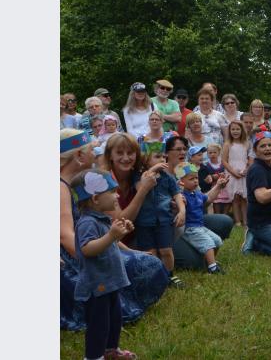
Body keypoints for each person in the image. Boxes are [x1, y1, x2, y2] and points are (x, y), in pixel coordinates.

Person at [62, 130, 169, 333]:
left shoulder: (84, 180)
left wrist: (127, 250)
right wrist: (92, 265)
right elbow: (67, 235)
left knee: (150, 263)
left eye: (131, 153)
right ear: (78, 156)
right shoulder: (71, 185)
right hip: (84, 254)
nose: (95, 154)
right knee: (145, 267)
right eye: (91, 150)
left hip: (105, 243)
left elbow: (106, 226)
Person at [70, 169, 139, 360]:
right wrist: (111, 235)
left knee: (114, 320)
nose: (117, 195)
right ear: (95, 199)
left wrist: (119, 234)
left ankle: (110, 351)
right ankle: (93, 356)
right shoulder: (87, 223)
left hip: (109, 282)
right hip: (96, 285)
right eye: (111, 191)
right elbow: (87, 249)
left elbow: (107, 245)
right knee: (98, 325)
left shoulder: (101, 219)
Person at [135, 141, 186, 287]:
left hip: (164, 220)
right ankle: (156, 277)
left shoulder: (167, 177)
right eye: (157, 157)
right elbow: (141, 188)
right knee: (151, 252)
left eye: (164, 157)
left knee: (166, 250)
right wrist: (153, 170)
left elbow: (177, 195)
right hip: (144, 222)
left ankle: (170, 275)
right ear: (145, 160)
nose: (162, 160)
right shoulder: (140, 176)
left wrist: (182, 210)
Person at [176, 162, 229, 273]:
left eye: (196, 178)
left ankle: (210, 262)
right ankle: (213, 268)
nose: (195, 181)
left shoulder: (197, 193)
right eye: (191, 179)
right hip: (190, 229)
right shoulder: (181, 195)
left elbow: (208, 198)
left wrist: (218, 185)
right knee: (208, 244)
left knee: (217, 241)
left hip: (200, 226)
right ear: (181, 182)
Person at [222, 120, 251, 227]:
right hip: (232, 172)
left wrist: (246, 169)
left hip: (243, 173)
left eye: (237, 129)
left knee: (244, 198)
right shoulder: (227, 144)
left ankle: (246, 220)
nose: (235, 131)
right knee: (235, 198)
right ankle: (237, 221)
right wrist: (233, 172)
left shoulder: (246, 144)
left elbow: (249, 159)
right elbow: (224, 161)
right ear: (229, 131)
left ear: (242, 130)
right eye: (233, 129)